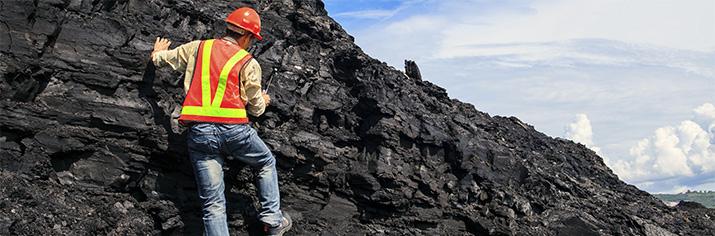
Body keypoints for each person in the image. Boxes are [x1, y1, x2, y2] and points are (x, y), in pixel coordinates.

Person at [150, 7, 292, 236]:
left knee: (213, 205)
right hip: (236, 132)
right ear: (246, 36)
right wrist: (264, 100)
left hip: (200, 134)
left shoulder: (199, 47)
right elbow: (256, 109)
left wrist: (157, 53)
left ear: (228, 28)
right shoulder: (248, 62)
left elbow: (163, 60)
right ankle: (273, 221)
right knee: (265, 162)